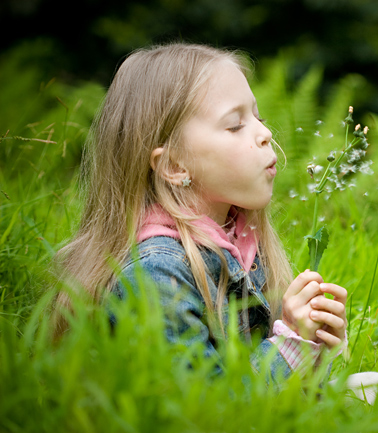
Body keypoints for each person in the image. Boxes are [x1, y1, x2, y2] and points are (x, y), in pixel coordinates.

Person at [53, 43, 348, 382]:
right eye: (236, 125)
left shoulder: (238, 237)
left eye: (258, 116)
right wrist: (290, 347)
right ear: (175, 165)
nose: (266, 133)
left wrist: (312, 344)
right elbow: (210, 408)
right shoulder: (157, 275)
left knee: (373, 387)